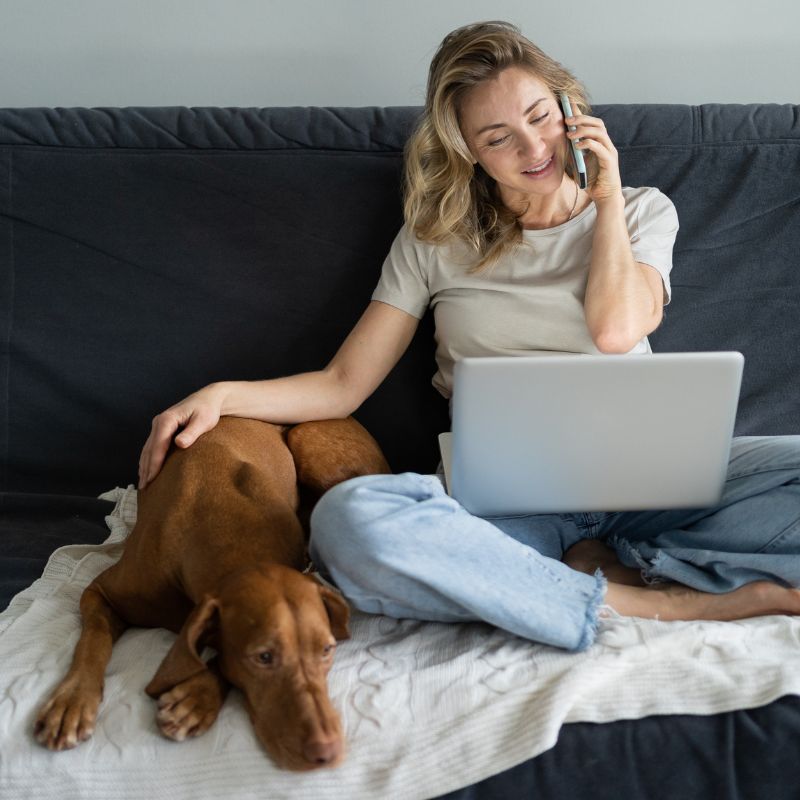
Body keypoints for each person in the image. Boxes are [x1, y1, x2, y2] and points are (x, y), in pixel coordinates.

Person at [138, 21, 800, 651]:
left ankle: (630, 562)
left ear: (570, 107)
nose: (533, 149)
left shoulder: (640, 210)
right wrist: (222, 395)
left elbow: (616, 328)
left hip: (653, 490)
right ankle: (649, 599)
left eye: (540, 116)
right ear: (468, 151)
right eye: (498, 136)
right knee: (351, 523)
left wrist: (604, 199)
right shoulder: (435, 241)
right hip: (512, 511)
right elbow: (342, 386)